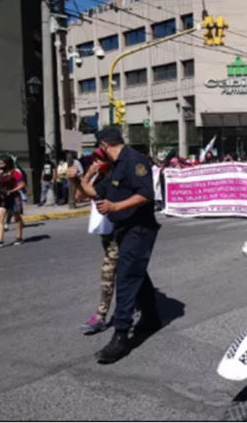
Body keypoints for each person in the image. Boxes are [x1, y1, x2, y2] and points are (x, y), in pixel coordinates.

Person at [67, 127, 162, 364]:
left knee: (126, 278)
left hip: (139, 229)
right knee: (136, 274)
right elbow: (92, 192)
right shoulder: (116, 166)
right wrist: (76, 180)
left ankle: (121, 336)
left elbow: (146, 194)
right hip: (123, 229)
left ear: (104, 146)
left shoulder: (134, 160)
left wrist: (115, 207)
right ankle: (151, 318)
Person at [80, 149, 119, 335]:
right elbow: (79, 196)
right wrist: (89, 173)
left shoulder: (113, 177)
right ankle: (139, 304)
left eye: (99, 159)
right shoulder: (97, 178)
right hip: (105, 234)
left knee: (108, 274)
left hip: (117, 234)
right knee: (127, 273)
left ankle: (101, 316)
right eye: (94, 159)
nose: (96, 162)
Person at [0, 156, 26, 248]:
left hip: (13, 197)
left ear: (8, 163)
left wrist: (12, 191)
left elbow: (22, 185)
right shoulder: (2, 173)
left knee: (16, 217)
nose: (0, 165)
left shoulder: (15, 172)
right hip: (3, 198)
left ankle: (19, 238)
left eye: (2, 163)